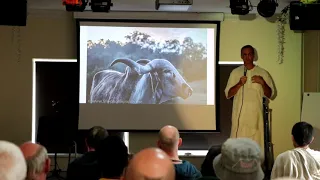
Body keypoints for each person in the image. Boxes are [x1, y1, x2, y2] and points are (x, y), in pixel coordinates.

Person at [224, 45, 275, 158]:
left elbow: (271, 94)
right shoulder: (235, 73)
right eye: (245, 55)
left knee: (255, 151)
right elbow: (228, 94)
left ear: (254, 55)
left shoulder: (263, 73)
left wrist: (262, 82)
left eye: (250, 54)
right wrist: (239, 84)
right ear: (241, 56)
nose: (247, 57)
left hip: (255, 119)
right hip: (239, 120)